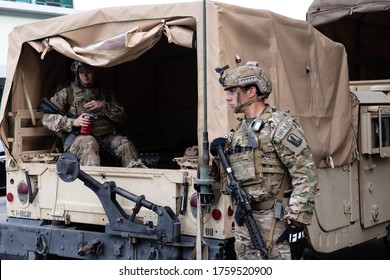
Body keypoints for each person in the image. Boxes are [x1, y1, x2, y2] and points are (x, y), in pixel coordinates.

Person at [211, 61, 319, 260]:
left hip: (275, 222)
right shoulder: (240, 131)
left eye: (232, 91)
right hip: (245, 220)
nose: (227, 97)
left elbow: (306, 174)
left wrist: (297, 223)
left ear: (251, 92)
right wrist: (219, 155)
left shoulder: (279, 125)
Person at [42, 60, 143, 167]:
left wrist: (104, 106)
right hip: (79, 140)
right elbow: (46, 119)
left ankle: (138, 177)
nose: (85, 75)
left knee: (125, 144)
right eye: (81, 72)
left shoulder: (105, 93)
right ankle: (95, 180)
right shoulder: (67, 93)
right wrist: (73, 122)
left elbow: (122, 117)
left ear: (94, 72)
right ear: (76, 73)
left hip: (106, 138)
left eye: (88, 71)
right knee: (89, 142)